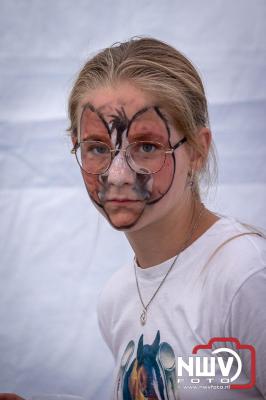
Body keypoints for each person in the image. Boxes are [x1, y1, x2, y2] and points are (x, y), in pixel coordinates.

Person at [2, 37, 265, 399]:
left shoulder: (246, 278)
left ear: (199, 151)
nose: (118, 174)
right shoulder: (116, 299)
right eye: (97, 148)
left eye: (146, 146)